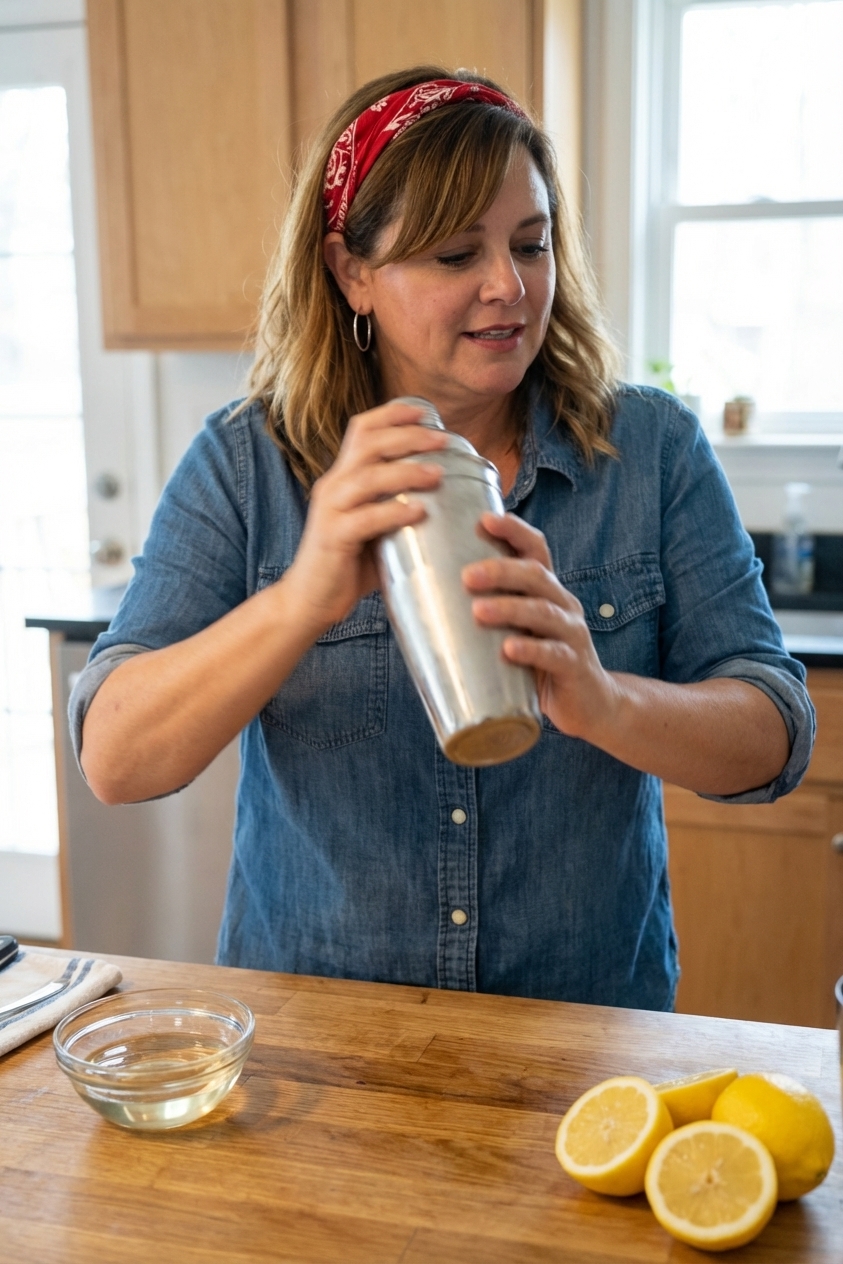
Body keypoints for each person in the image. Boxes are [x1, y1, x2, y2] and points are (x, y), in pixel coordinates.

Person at [70, 67, 813, 1009]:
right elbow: (116, 759)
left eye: (531, 244)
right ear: (352, 272)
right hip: (320, 1048)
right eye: (456, 254)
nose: (509, 286)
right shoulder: (247, 462)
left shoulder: (649, 448)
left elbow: (774, 734)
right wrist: (305, 598)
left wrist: (603, 701)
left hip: (585, 1044)